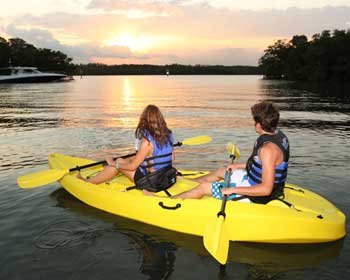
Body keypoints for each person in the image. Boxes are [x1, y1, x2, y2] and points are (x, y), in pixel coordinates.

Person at [173, 101, 289, 204]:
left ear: (260, 124)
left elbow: (265, 189)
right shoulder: (278, 135)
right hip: (250, 179)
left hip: (258, 196)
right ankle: (189, 183)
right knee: (222, 170)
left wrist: (232, 190)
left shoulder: (268, 150)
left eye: (255, 120)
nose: (253, 123)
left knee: (204, 188)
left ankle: (168, 201)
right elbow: (264, 164)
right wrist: (238, 166)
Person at [77, 104, 176, 190]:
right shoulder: (168, 135)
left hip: (152, 183)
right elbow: (171, 158)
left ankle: (87, 182)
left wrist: (113, 164)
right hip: (166, 178)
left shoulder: (147, 142)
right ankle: (108, 169)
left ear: (145, 120)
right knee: (126, 159)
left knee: (119, 162)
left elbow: (133, 167)